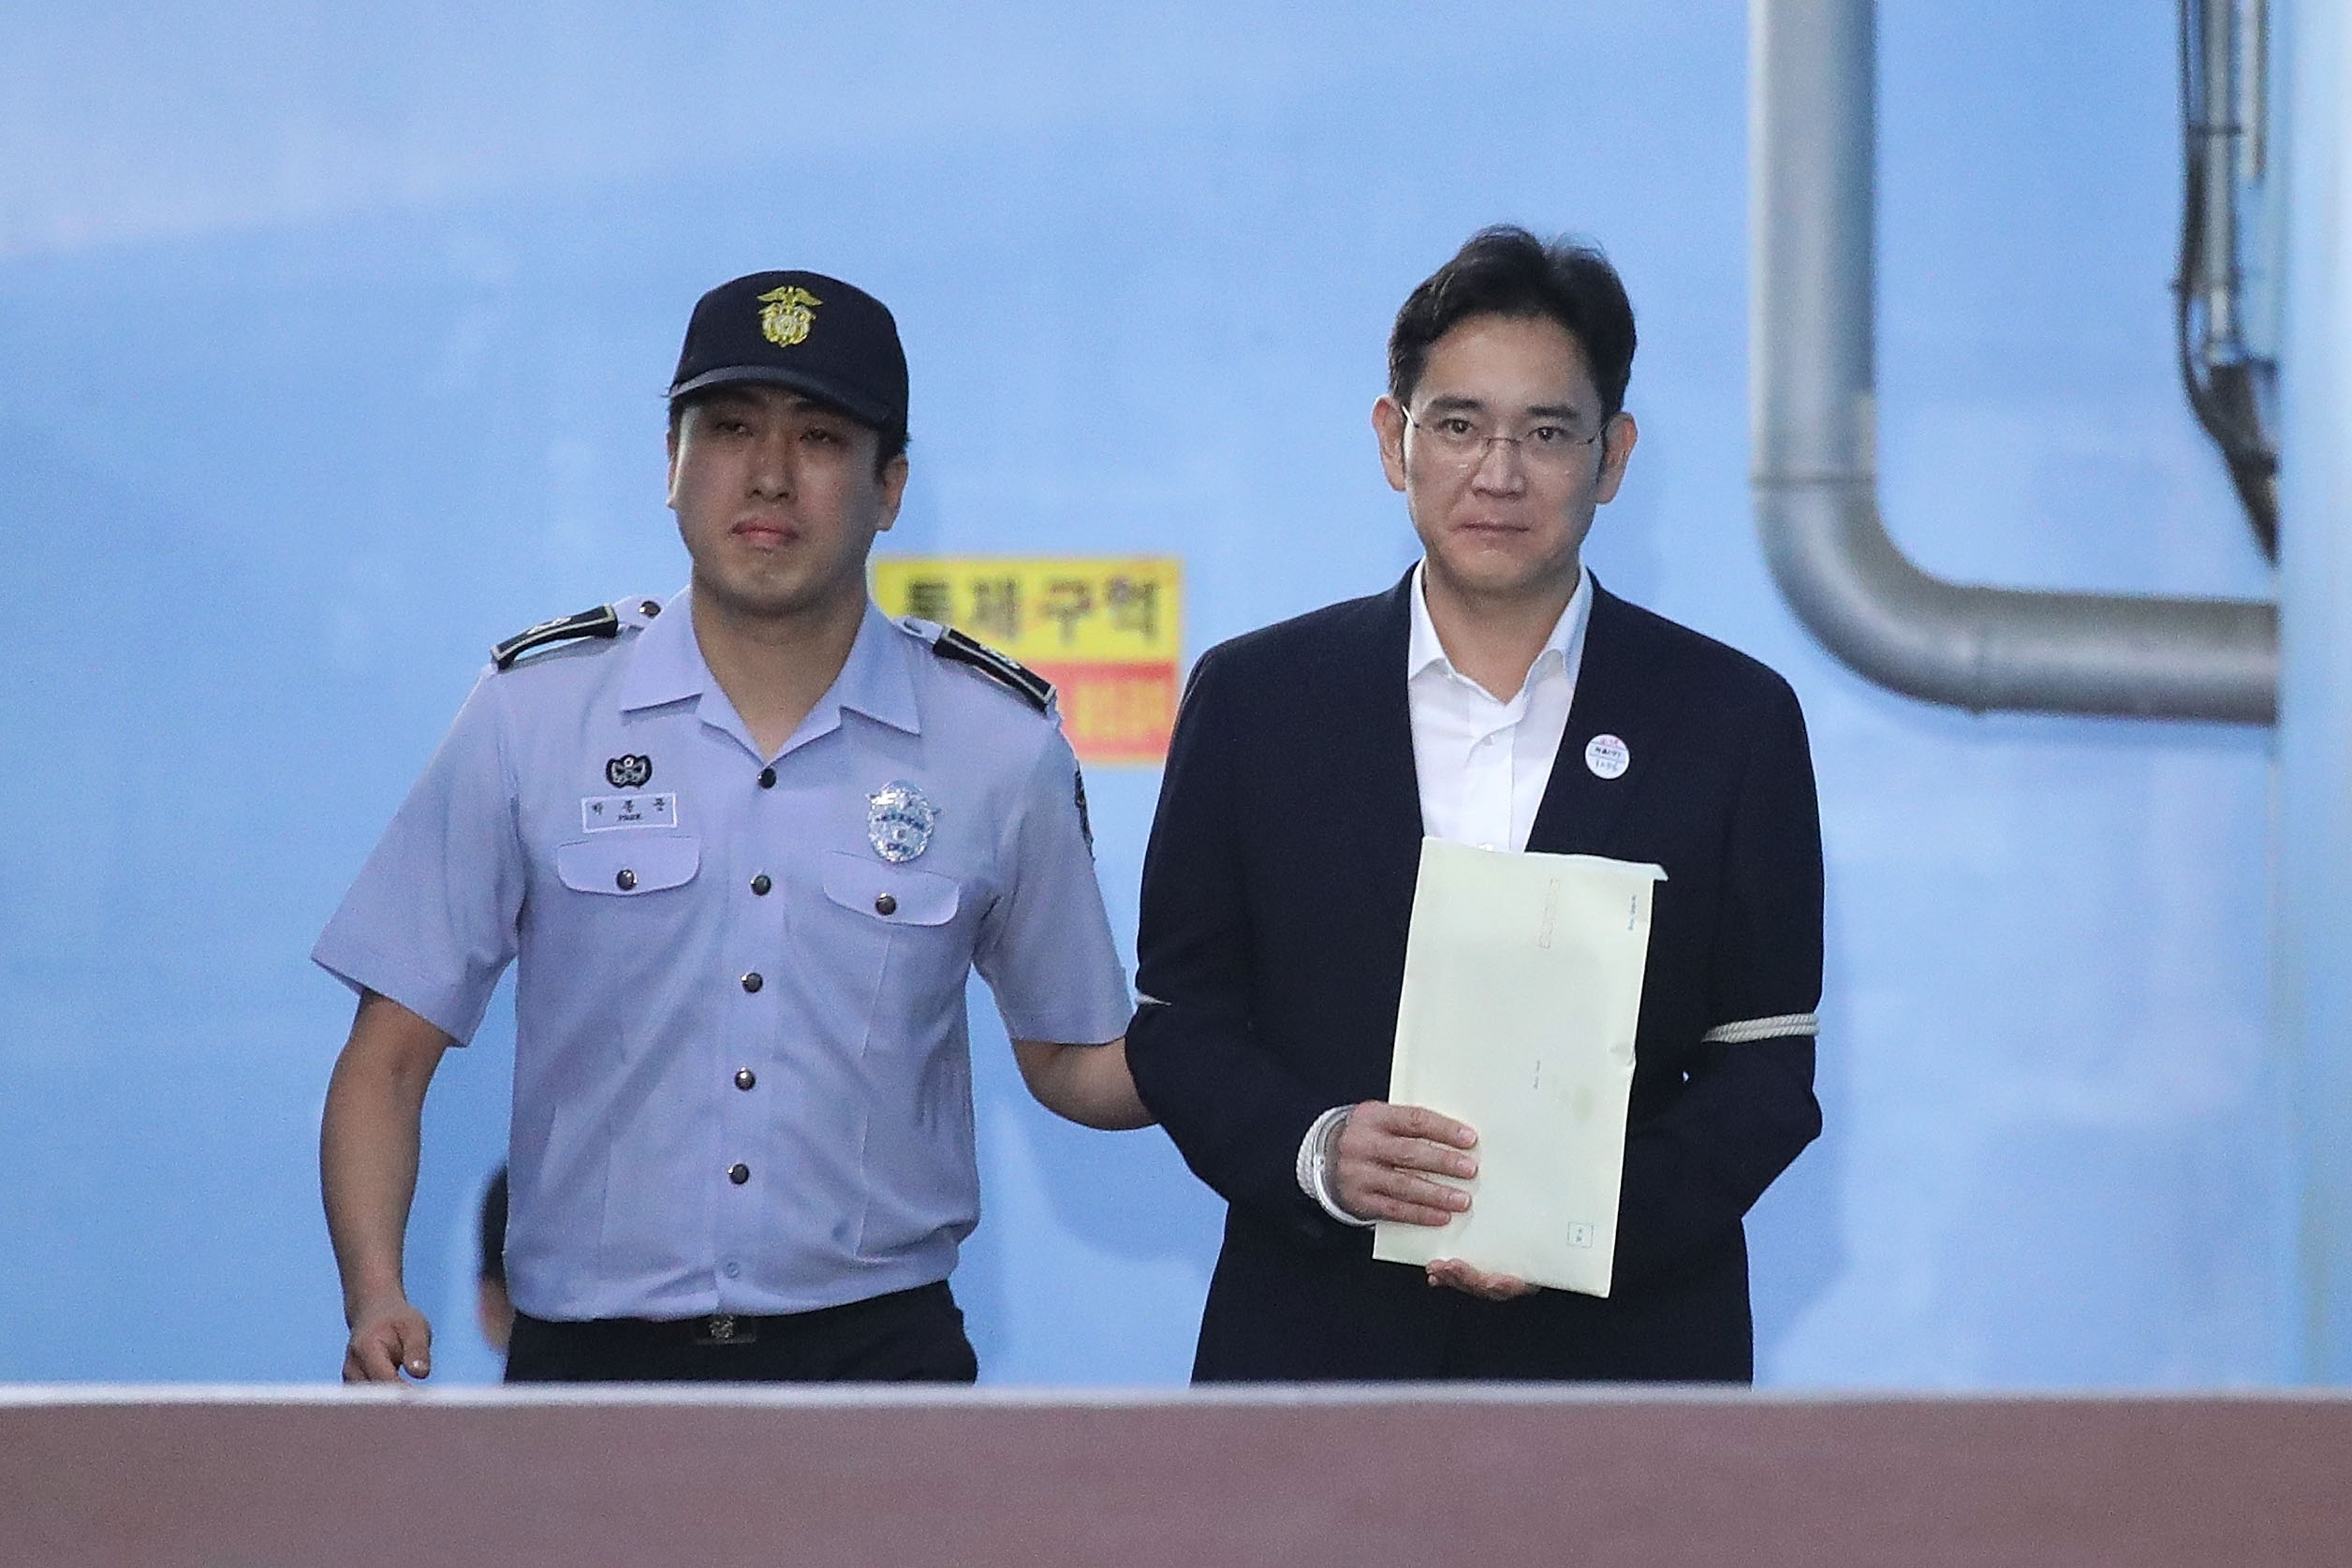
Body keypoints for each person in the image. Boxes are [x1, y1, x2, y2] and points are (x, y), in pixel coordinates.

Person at [316, 270, 1146, 1385]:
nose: (767, 474)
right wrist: (375, 1291)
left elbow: (1074, 1059)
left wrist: (1268, 1051)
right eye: (729, 428)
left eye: (818, 437)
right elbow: (388, 1056)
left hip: (877, 1368)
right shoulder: (535, 711)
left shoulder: (996, 742)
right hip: (589, 1371)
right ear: (670, 462)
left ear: (889, 485)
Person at [1125, 227, 1824, 1382]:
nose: (1498, 473)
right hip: (1313, 1352)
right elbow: (1182, 1026)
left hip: (1629, 1364)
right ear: (1392, 442)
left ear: (1612, 458)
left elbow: (1762, 1078)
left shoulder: (1731, 718)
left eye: (1547, 433)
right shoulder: (1254, 699)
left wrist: (1581, 1229)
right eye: (1456, 424)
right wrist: (1320, 1154)